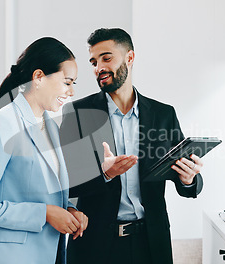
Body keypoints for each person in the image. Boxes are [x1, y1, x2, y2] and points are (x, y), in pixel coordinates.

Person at [60, 28, 203, 264]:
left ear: (130, 58)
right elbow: (65, 183)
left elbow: (184, 176)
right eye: (94, 62)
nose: (99, 68)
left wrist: (189, 179)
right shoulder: (77, 113)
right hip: (94, 245)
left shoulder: (163, 114)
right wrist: (105, 173)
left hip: (150, 243)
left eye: (106, 58)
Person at [0, 37, 88, 264]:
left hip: (50, 253)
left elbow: (42, 189)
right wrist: (45, 213)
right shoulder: (5, 123)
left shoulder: (50, 124)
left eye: (73, 84)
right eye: (67, 82)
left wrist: (68, 209)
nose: (71, 92)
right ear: (39, 77)